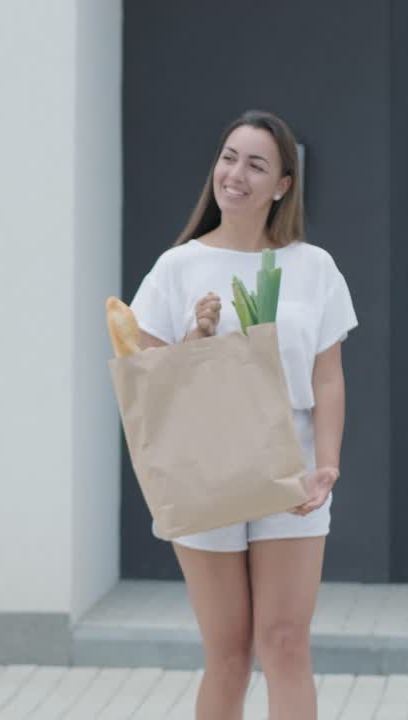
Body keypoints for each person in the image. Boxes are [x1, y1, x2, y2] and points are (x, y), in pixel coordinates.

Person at [129, 110, 357, 720]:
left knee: (284, 644)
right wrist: (194, 335)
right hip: (207, 470)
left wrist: (327, 464)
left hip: (293, 469)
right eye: (229, 157)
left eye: (257, 164)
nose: (236, 174)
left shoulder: (314, 268)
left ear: (283, 184)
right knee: (227, 653)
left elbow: (327, 377)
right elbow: (149, 375)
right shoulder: (176, 268)